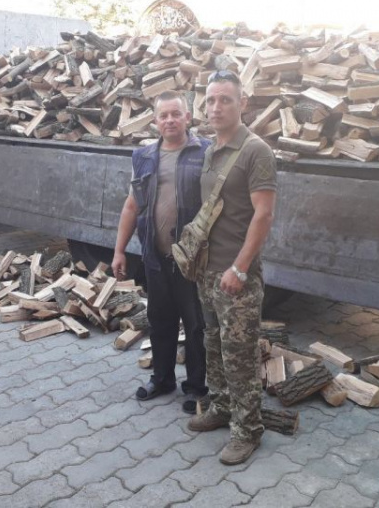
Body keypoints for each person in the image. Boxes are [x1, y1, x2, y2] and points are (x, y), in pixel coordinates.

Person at [187, 70, 277, 465]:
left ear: (243, 104)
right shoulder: (210, 149)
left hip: (235, 276)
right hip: (207, 272)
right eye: (210, 100)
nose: (216, 107)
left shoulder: (256, 151)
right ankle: (222, 408)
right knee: (213, 345)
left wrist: (239, 269)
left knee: (239, 355)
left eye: (225, 99)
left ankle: (248, 431)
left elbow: (263, 216)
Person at [112, 90, 211, 413]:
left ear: (187, 117)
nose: (169, 120)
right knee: (160, 321)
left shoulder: (205, 152)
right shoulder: (143, 157)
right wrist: (120, 251)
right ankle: (162, 378)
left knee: (196, 326)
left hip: (192, 261)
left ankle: (196, 387)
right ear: (155, 121)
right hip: (155, 257)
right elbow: (131, 205)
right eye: (163, 115)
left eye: (175, 114)